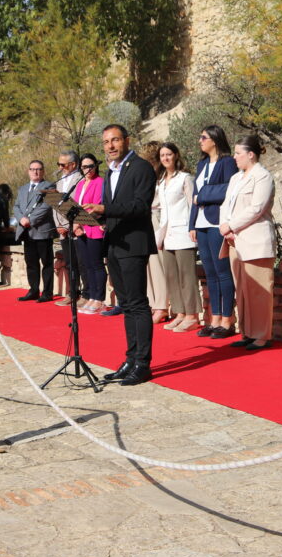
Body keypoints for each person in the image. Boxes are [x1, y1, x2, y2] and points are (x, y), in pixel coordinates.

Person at [83, 124, 157, 386]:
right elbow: (113, 208)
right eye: (106, 142)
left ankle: (143, 363)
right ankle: (130, 358)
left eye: (115, 140)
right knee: (125, 305)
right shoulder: (110, 173)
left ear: (126, 140)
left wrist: (105, 207)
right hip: (114, 243)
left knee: (137, 303)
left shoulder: (141, 168)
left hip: (133, 244)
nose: (110, 146)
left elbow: (139, 206)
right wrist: (97, 213)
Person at [219, 135, 277, 350]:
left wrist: (232, 226)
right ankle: (247, 332)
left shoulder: (263, 176)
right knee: (242, 290)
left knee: (259, 290)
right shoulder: (236, 178)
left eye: (238, 153)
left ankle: (262, 334)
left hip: (255, 240)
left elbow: (257, 208)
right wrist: (225, 227)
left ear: (250, 154)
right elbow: (225, 205)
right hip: (235, 241)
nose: (234, 157)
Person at [189, 125, 238, 338]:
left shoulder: (227, 162)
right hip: (201, 224)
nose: (200, 140)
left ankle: (227, 320)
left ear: (215, 140)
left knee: (222, 272)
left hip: (218, 222)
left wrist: (203, 197)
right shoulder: (201, 165)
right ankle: (214, 318)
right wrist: (191, 224)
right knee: (210, 274)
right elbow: (194, 196)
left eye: (204, 137)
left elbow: (229, 189)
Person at [155, 143, 201, 332]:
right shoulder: (160, 182)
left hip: (184, 232)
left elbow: (193, 204)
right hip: (167, 234)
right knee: (172, 276)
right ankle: (179, 312)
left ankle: (192, 315)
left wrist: (193, 227)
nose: (165, 158)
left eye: (169, 154)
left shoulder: (185, 178)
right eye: (162, 155)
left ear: (176, 156)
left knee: (187, 275)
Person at [12, 161, 55, 302]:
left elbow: (46, 207)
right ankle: (33, 290)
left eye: (38, 169)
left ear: (43, 171)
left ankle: (47, 293)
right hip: (26, 231)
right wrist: (21, 219)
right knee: (31, 263)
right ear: (28, 171)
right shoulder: (23, 189)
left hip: (42, 231)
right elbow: (16, 206)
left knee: (46, 263)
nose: (35, 172)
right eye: (33, 169)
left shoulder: (49, 186)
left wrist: (30, 220)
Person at [71, 156, 107, 313]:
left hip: (93, 228)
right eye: (84, 166)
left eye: (90, 166)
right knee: (86, 264)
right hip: (81, 229)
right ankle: (91, 295)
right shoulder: (79, 185)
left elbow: (97, 206)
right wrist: (75, 224)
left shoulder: (100, 182)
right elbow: (76, 206)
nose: (87, 169)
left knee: (96, 264)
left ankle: (99, 298)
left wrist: (81, 222)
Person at [140, 141, 170, 323]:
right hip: (147, 218)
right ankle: (152, 303)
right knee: (149, 264)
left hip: (158, 219)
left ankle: (161, 306)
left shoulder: (165, 177)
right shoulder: (152, 176)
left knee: (158, 265)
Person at [52, 151, 83, 306]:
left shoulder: (80, 179)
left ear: (73, 165)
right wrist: (58, 224)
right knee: (69, 262)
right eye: (59, 164)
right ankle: (72, 292)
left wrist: (69, 225)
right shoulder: (59, 181)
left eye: (63, 165)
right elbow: (56, 205)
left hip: (75, 228)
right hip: (62, 230)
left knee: (79, 262)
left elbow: (77, 205)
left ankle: (81, 293)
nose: (60, 167)